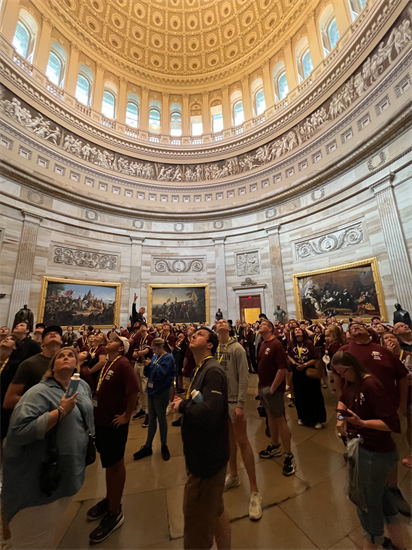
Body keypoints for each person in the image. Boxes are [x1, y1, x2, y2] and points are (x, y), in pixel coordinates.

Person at [3, 346, 94, 550]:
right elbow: (17, 431)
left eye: (70, 355)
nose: (66, 357)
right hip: (40, 477)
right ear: (51, 368)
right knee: (34, 540)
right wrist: (60, 411)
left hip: (69, 473)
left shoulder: (81, 386)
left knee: (49, 529)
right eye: (60, 356)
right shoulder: (37, 392)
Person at [332, 351, 406, 550]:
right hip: (363, 447)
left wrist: (361, 422)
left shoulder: (371, 385)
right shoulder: (352, 382)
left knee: (366, 505)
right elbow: (343, 401)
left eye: (342, 372)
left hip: (375, 452)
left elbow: (392, 424)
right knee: (383, 499)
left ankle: (373, 542)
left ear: (352, 367)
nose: (341, 377)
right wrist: (340, 420)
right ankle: (399, 545)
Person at [340, 322, 410, 517]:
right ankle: (364, 489)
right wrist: (342, 412)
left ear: (368, 330)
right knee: (360, 451)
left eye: (360, 325)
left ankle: (393, 489)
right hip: (358, 411)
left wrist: (402, 405)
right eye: (352, 326)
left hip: (388, 410)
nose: (356, 327)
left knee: (392, 450)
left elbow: (402, 377)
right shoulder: (345, 351)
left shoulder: (383, 351)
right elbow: (341, 383)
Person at [170, 327, 231, 550]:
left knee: (196, 530)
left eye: (200, 334)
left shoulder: (212, 371)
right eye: (193, 334)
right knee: (216, 510)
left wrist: (181, 406)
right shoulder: (200, 369)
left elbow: (209, 414)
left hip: (206, 461)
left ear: (209, 345)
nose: (193, 335)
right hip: (205, 455)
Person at [87, 334, 139, 543]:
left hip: (115, 424)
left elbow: (133, 390)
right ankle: (110, 499)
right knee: (109, 463)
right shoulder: (110, 363)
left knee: (116, 464)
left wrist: (127, 415)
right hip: (102, 422)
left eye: (114, 340)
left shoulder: (123, 364)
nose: (109, 341)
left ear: (121, 348)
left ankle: (115, 512)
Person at [216, 320, 262, 521]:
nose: (220, 323)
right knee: (228, 440)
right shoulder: (215, 348)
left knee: (242, 440)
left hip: (234, 400)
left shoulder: (238, 349)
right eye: (217, 322)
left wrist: (241, 403)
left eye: (224, 322)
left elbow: (244, 377)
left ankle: (254, 490)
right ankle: (233, 475)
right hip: (220, 401)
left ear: (230, 328)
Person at [257, 319, 295, 476]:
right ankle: (275, 446)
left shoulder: (276, 344)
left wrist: (273, 388)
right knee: (270, 417)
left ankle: (289, 455)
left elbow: (283, 368)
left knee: (280, 420)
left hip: (272, 389)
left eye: (262, 324)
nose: (259, 325)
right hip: (263, 387)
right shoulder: (262, 344)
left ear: (270, 328)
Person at [133, 338, 175, 461]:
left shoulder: (168, 358)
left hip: (161, 391)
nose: (154, 351)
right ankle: (148, 445)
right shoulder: (154, 357)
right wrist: (147, 366)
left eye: (155, 349)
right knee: (151, 418)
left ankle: (164, 445)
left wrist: (150, 365)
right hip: (151, 390)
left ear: (161, 347)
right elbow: (147, 374)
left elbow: (162, 374)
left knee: (161, 419)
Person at [4, 326, 63, 410]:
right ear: (42, 343)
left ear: (61, 341)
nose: (53, 334)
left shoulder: (68, 364)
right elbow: (9, 400)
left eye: (56, 333)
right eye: (48, 334)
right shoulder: (29, 364)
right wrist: (46, 401)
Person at [383, 332, 412, 469]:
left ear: (398, 340)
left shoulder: (408, 355)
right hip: (393, 396)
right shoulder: (383, 357)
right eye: (386, 338)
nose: (389, 340)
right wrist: (387, 353)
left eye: (392, 337)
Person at [288, 327, 326, 429]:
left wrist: (304, 365)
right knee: (299, 395)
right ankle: (303, 417)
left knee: (313, 395)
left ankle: (317, 419)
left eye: (299, 330)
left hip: (308, 370)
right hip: (297, 371)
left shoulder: (309, 343)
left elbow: (315, 358)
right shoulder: (292, 343)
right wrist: (295, 363)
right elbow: (289, 355)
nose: (297, 331)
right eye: (295, 330)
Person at [0, 335, 20, 451]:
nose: (7, 339)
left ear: (15, 347)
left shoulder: (15, 365)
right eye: (5, 338)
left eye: (11, 339)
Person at [132, 323, 153, 425]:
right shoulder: (139, 339)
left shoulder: (150, 338)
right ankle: (142, 409)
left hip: (145, 364)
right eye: (140, 327)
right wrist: (137, 353)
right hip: (138, 363)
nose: (141, 328)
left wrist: (138, 353)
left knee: (145, 389)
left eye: (143, 326)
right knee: (139, 388)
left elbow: (146, 351)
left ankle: (149, 412)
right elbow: (133, 353)